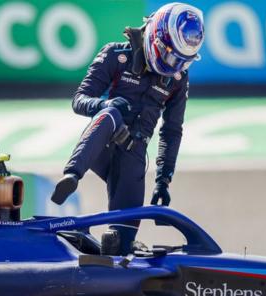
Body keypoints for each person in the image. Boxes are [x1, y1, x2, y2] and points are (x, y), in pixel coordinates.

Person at [51, 2, 204, 255]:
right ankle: (72, 176)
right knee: (110, 113)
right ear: (155, 38)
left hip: (133, 154)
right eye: (169, 56)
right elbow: (79, 100)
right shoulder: (115, 55)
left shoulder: (177, 79)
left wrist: (164, 179)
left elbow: (171, 130)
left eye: (182, 61)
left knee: (121, 246)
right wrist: (105, 104)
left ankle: (110, 255)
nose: (173, 65)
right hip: (103, 140)